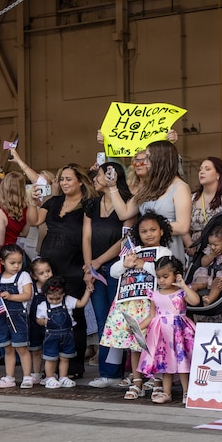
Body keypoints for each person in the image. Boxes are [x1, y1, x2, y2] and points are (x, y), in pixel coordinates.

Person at [27, 164, 96, 378]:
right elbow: (34, 220)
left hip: (73, 267)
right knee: (49, 314)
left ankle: (74, 367)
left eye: (68, 179)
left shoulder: (88, 205)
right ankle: (52, 365)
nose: (64, 183)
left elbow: (86, 237)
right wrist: (31, 201)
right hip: (49, 269)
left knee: (74, 317)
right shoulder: (54, 201)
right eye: (61, 179)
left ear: (80, 181)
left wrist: (88, 267)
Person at [101, 213, 174, 400]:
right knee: (135, 345)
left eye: (153, 230)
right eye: (144, 231)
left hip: (153, 305)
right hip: (132, 303)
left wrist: (143, 264)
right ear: (137, 234)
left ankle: (157, 382)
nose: (149, 234)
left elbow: (163, 272)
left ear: (161, 231)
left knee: (156, 344)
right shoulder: (132, 250)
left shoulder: (164, 252)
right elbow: (114, 272)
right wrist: (125, 264)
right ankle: (137, 381)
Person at [83, 162, 134, 389]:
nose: (95, 177)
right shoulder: (91, 204)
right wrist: (89, 267)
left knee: (118, 320)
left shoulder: (126, 201)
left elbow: (125, 239)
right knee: (103, 319)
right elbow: (86, 237)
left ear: (113, 175)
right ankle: (106, 373)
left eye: (100, 173)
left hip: (118, 267)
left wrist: (99, 261)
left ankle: (116, 372)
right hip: (94, 268)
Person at [105, 140, 192, 264]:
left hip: (168, 253)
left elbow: (183, 226)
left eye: (148, 158)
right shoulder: (148, 187)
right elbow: (124, 213)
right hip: (145, 254)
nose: (145, 162)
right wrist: (112, 187)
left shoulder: (180, 187)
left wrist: (149, 229)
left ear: (160, 159)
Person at [140, 256, 199, 404]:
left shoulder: (181, 292)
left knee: (182, 362)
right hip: (162, 334)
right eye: (159, 277)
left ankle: (187, 392)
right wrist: (137, 327)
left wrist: (184, 285)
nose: (162, 280)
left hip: (179, 332)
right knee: (166, 363)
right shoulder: (155, 295)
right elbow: (151, 316)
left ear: (176, 274)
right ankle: (166, 393)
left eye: (165, 276)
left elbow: (195, 301)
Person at [0, 244, 34, 389]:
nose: (16, 266)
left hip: (18, 317)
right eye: (12, 263)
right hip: (2, 318)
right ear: (2, 262)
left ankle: (27, 376)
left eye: (19, 262)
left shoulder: (24, 276)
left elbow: (27, 295)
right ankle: (9, 377)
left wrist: (11, 296)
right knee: (7, 348)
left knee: (22, 348)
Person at [37, 276, 93, 389]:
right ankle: (50, 377)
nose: (54, 301)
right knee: (50, 358)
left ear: (63, 294)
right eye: (51, 299)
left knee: (65, 358)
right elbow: (38, 319)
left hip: (67, 335)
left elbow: (81, 303)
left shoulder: (68, 301)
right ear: (45, 295)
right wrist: (43, 321)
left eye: (57, 299)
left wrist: (88, 291)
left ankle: (63, 376)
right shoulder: (42, 306)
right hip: (51, 336)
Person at [189, 157, 222, 252]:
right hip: (196, 253)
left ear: (218, 175)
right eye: (200, 169)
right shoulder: (192, 198)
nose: (201, 172)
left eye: (207, 169)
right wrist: (189, 244)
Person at [189, 227, 222, 306]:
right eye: (210, 244)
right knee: (201, 274)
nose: (212, 247)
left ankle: (209, 299)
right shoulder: (210, 250)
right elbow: (203, 263)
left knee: (217, 283)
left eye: (215, 245)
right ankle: (192, 288)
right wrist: (211, 256)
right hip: (208, 274)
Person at [26, 257, 54, 386]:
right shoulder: (32, 289)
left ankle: (51, 373)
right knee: (36, 349)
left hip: (51, 322)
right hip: (35, 324)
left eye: (48, 271)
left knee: (51, 349)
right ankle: (36, 373)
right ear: (35, 276)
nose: (46, 275)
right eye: (42, 273)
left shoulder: (54, 287)